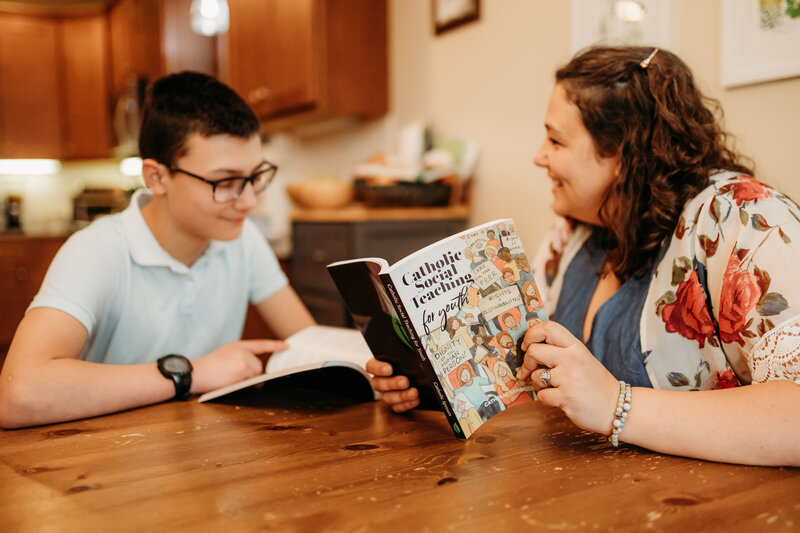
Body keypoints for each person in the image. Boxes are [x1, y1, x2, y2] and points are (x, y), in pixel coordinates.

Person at [367, 46, 800, 466]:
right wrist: (425, 388)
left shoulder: (742, 219)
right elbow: (519, 388)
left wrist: (616, 405)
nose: (539, 156)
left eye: (556, 140)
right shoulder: (571, 235)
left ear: (625, 155)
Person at [0, 72, 315, 428]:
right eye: (225, 182)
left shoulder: (242, 238)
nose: (249, 201)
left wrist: (378, 370)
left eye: (256, 176)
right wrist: (190, 374)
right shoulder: (98, 250)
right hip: (105, 461)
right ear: (157, 178)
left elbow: (307, 343)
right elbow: (19, 394)